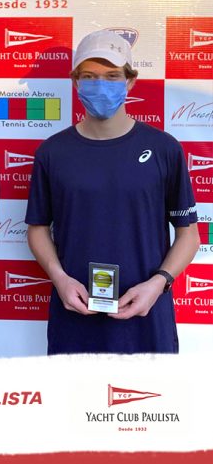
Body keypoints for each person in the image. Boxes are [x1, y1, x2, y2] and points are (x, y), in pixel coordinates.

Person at [25, 29, 200, 354]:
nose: (100, 85)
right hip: (74, 319)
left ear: (130, 81)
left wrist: (159, 282)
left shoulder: (164, 149)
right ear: (75, 82)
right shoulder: (52, 152)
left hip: (147, 320)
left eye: (112, 76)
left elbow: (189, 235)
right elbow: (37, 228)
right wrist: (59, 278)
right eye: (89, 76)